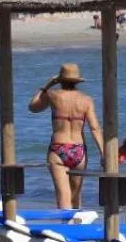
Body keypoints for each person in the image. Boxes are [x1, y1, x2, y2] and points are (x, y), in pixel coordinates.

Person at [28, 62, 102, 209]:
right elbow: (95, 128)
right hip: (78, 150)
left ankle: (66, 227)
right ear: (77, 81)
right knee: (76, 196)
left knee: (63, 196)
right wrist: (104, 153)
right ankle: (77, 229)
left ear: (60, 80)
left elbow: (33, 107)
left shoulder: (53, 95)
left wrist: (47, 85)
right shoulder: (86, 100)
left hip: (58, 148)